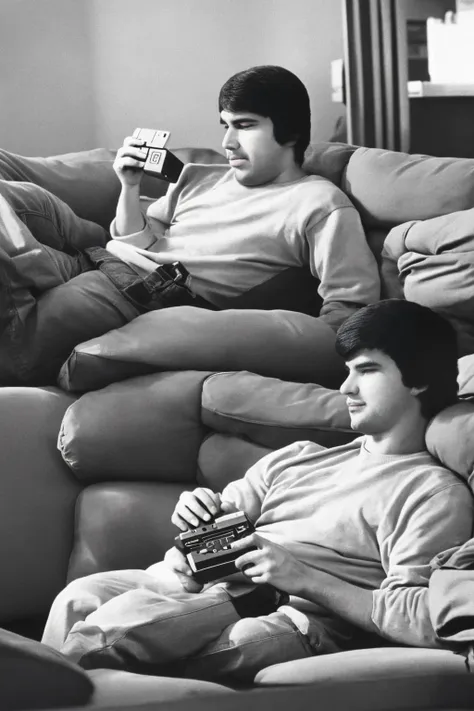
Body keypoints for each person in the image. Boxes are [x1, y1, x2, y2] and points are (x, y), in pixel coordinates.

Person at [41, 299, 474, 682]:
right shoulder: (299, 456)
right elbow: (215, 531)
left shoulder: (433, 493)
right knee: (80, 596)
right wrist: (199, 514)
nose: (346, 388)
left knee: (112, 632)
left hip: (293, 613)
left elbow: (422, 614)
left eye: (367, 370)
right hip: (209, 585)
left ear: (418, 380)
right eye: (347, 372)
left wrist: (303, 578)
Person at [0, 65, 380, 386]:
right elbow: (140, 238)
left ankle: (26, 270)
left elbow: (349, 307)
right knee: (9, 196)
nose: (228, 142)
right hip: (96, 251)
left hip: (135, 292)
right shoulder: (200, 176)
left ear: (291, 132)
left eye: (245, 126)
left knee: (17, 357)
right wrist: (129, 186)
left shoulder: (319, 203)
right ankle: (30, 267)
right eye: (225, 125)